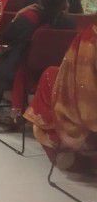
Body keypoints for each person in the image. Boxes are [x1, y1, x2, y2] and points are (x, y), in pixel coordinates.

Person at [0, 0, 74, 110]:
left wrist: (18, 15)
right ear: (65, 1)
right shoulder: (70, 24)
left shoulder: (28, 17)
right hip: (57, 73)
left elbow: (4, 38)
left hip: (19, 73)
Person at [25, 23, 97, 171]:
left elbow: (79, 80)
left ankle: (69, 155)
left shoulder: (90, 37)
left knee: (49, 77)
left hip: (87, 115)